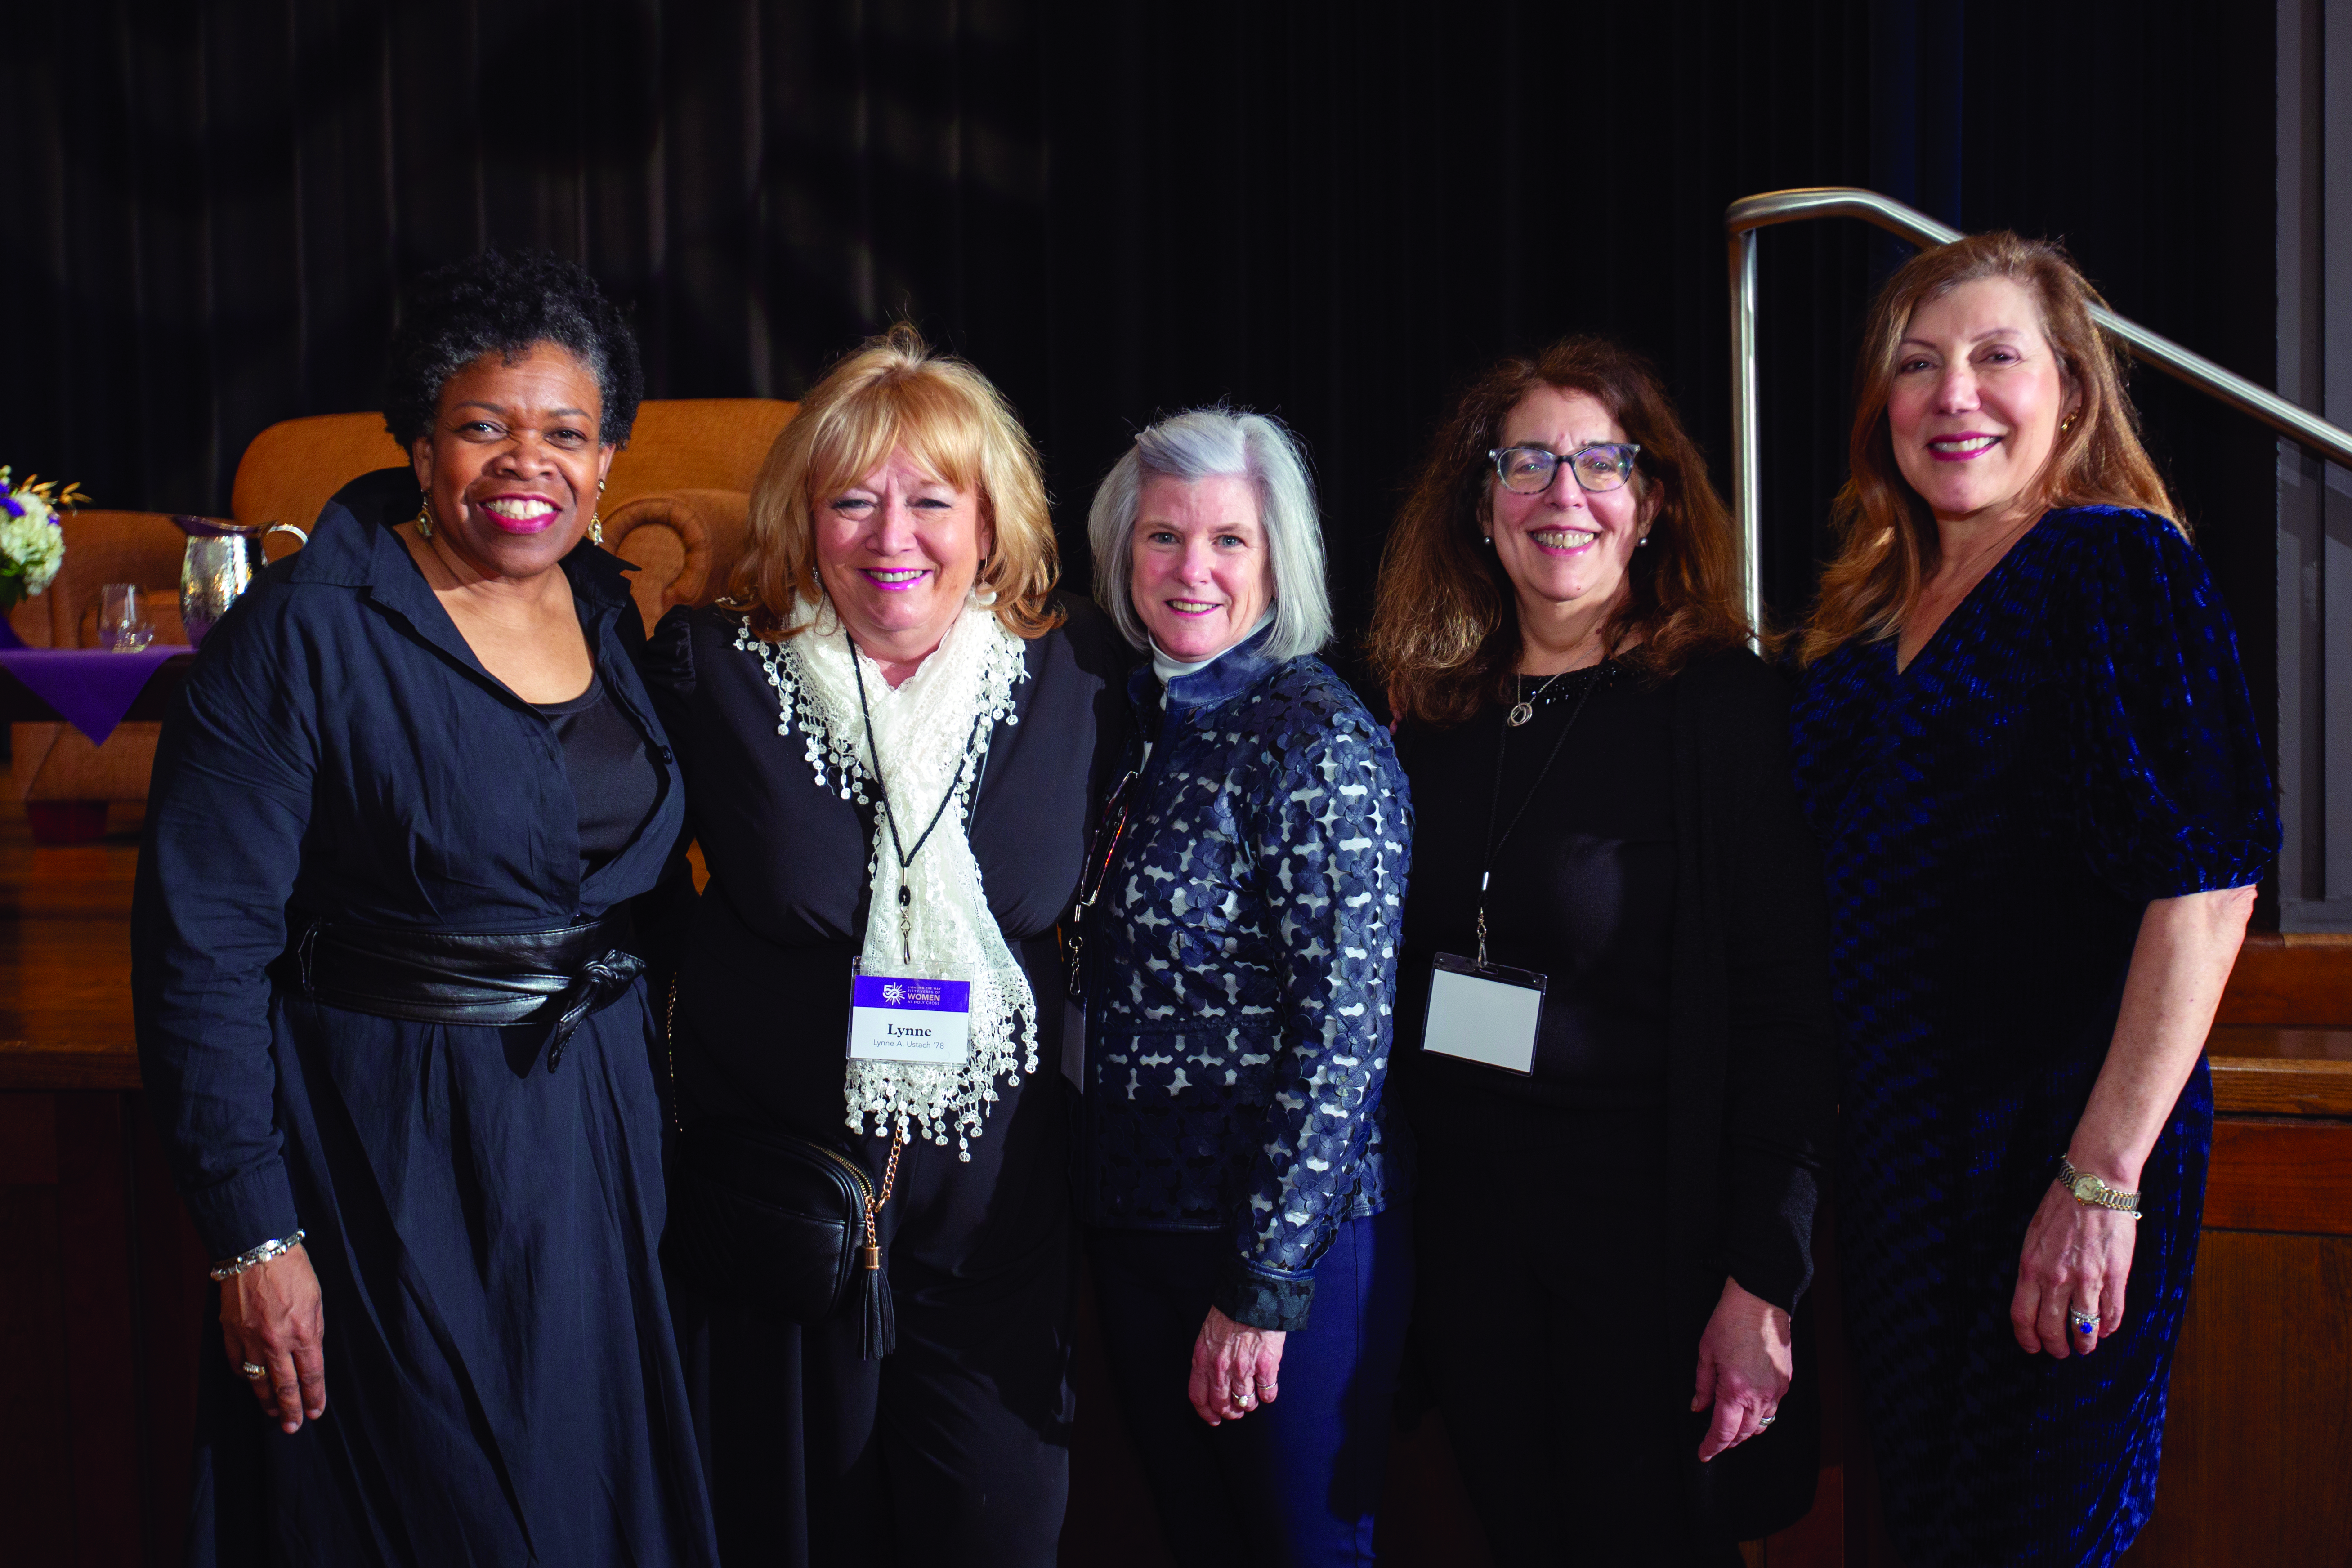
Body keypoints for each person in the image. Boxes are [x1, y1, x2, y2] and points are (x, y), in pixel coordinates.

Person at [130, 250, 718, 1566]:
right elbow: (201, 947)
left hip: (598, 1133)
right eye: (482, 427)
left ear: (610, 455)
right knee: (439, 1503)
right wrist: (251, 1230)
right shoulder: (300, 633)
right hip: (390, 1137)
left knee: (588, 1497)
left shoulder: (617, 610)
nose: (528, 463)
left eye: (566, 432)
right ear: (416, 438)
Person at [1786, 233, 2279, 1567]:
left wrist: (2098, 1177)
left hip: (2058, 1158)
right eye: (1915, 365)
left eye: (1994, 357)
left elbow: (2206, 880)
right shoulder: (1851, 637)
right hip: (1901, 1179)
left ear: (2067, 390)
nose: (1954, 395)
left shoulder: (2110, 566)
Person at [648, 325, 1127, 1567]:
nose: (890, 533)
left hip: (997, 1233)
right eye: (849, 500)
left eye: (930, 498)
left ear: (989, 519)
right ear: (801, 519)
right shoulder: (713, 669)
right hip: (780, 1231)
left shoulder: (1073, 673)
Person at [1366, 338, 1837, 1566]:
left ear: (1651, 503)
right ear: (1479, 507)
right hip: (1470, 1241)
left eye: (1597, 462)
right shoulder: (1436, 712)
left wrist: (1759, 1277)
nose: (1558, 494)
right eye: (1524, 462)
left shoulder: (1721, 711)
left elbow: (1789, 1009)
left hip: (1648, 1248)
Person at [1075, 408, 1414, 1566]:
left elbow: (1345, 1041)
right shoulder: (1124, 719)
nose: (1192, 570)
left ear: (1278, 561)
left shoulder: (1317, 739)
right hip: (1129, 1228)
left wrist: (1263, 1282)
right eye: (1163, 538)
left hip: (1277, 1248)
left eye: (1229, 540)